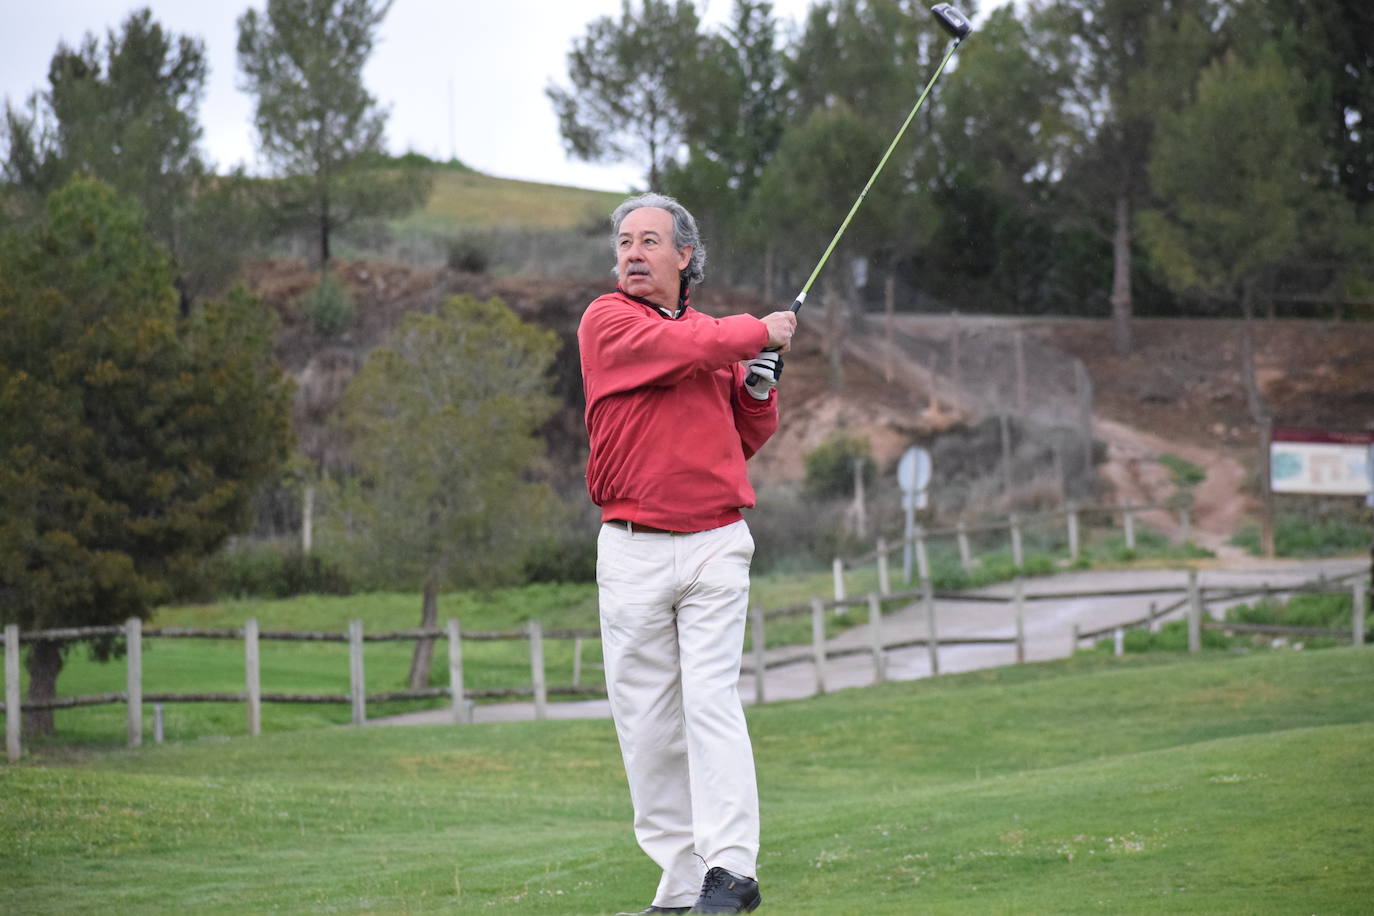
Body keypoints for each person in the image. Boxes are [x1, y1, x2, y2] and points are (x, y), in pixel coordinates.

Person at [578, 192, 796, 914]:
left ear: (684, 257)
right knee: (646, 727)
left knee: (709, 702)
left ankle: (730, 871)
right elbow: (681, 349)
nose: (632, 254)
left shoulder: (715, 337)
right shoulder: (607, 323)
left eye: (648, 242)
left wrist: (759, 388)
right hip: (631, 548)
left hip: (713, 543)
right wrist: (756, 331)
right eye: (623, 243)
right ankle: (679, 884)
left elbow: (741, 438)